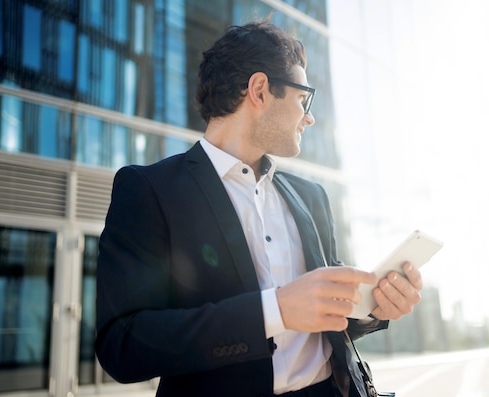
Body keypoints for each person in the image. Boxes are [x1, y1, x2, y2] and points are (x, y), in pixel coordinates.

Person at [95, 20, 423, 397]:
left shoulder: (311, 196)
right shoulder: (150, 189)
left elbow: (330, 316)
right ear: (260, 90)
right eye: (304, 99)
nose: (309, 117)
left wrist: (374, 306)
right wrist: (275, 311)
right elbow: (123, 345)